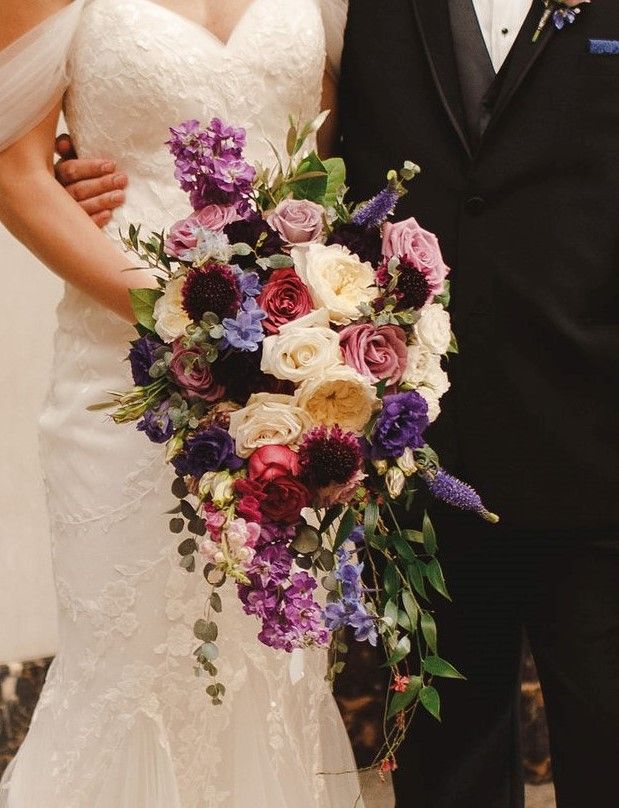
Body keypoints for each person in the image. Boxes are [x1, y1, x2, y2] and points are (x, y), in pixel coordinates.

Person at [0, 2, 361, 807]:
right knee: (128, 661)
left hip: (284, 370)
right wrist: (184, 321)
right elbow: (15, 174)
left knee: (267, 657)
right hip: (122, 370)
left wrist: (303, 327)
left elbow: (337, 149)